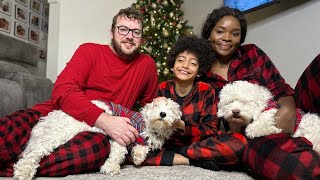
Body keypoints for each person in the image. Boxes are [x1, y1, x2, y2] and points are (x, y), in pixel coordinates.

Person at [0, 7, 158, 177]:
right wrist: (105, 120)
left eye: (136, 32)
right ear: (112, 32)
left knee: (96, 150)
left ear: (141, 38)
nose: (129, 36)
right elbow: (62, 90)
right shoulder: (89, 51)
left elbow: (151, 110)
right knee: (10, 131)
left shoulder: (147, 65)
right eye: (123, 29)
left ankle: (16, 167)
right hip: (53, 114)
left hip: (95, 133)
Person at [200, 6, 320, 179]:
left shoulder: (251, 53)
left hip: (291, 110)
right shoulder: (200, 72)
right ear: (209, 33)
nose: (227, 38)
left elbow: (279, 86)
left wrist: (288, 109)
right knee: (295, 165)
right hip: (251, 135)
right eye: (220, 31)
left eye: (235, 33)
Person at [135, 35, 247, 170]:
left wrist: (181, 125)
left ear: (199, 71)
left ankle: (179, 155)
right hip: (166, 144)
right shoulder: (163, 88)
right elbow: (151, 125)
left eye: (193, 63)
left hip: (197, 145)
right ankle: (191, 161)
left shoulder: (206, 91)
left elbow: (211, 130)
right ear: (172, 65)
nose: (185, 66)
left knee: (239, 143)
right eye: (180, 60)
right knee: (134, 149)